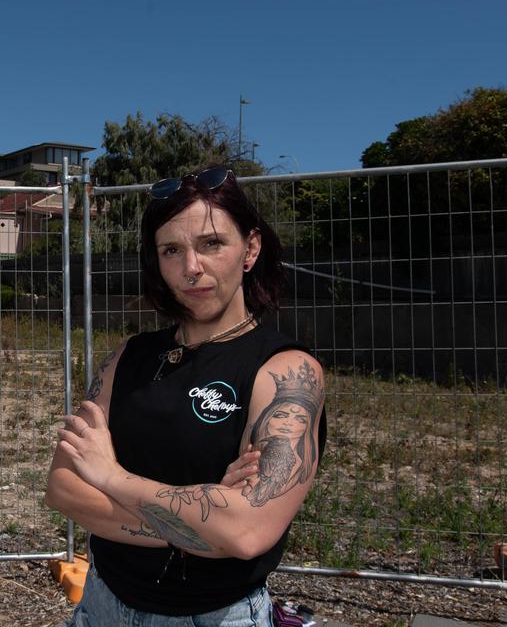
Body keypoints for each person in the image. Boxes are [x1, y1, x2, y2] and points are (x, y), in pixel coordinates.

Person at [45, 166, 327, 626]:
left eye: (212, 243)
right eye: (171, 250)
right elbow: (64, 488)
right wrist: (204, 523)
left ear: (250, 249)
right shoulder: (129, 359)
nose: (191, 268)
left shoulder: (285, 372)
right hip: (102, 603)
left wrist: (114, 479)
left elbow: (249, 530)